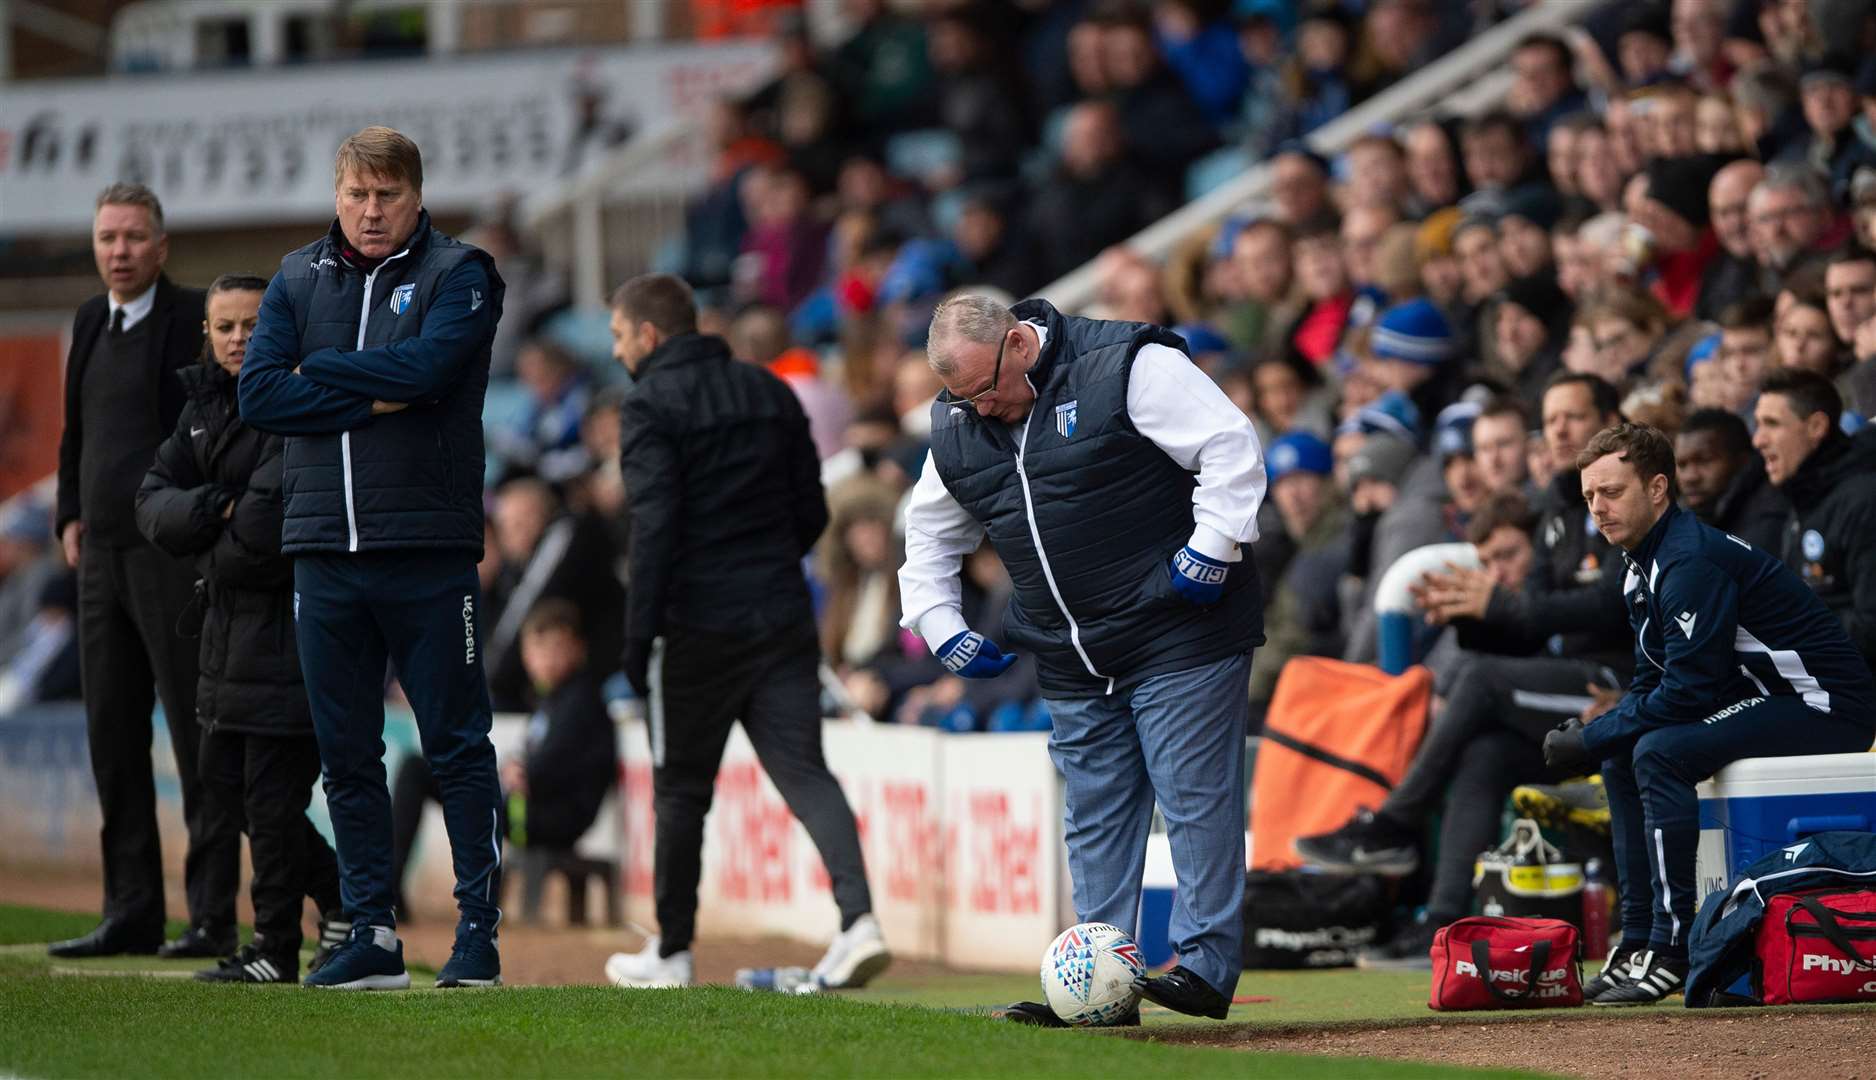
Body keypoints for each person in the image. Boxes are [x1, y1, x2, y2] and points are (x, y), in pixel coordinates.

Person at [898, 293, 1267, 1024]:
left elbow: (1230, 445)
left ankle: (1204, 969)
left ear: (1017, 343)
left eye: (984, 391)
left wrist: (1213, 547)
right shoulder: (962, 423)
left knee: (1194, 800)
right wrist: (941, 624)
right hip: (1070, 655)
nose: (978, 410)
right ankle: (1100, 991)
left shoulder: (1126, 365)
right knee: (1095, 820)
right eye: (959, 398)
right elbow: (929, 536)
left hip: (1180, 629)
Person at [237, 126, 507, 990]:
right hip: (322, 549)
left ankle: (477, 934)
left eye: (387, 194)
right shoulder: (293, 275)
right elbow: (260, 392)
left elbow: (431, 371)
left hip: (427, 547)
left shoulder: (460, 273)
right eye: (357, 193)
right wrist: (376, 387)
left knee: (456, 745)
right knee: (346, 753)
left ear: (417, 196)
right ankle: (372, 934)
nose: (371, 210)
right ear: (337, 195)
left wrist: (325, 372)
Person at [600, 273, 889, 993]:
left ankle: (671, 952)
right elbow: (810, 511)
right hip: (781, 613)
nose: (614, 352)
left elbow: (655, 532)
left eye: (617, 336)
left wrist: (637, 644)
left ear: (649, 336)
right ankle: (859, 922)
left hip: (695, 627)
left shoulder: (647, 406)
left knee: (681, 793)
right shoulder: (770, 393)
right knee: (805, 772)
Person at [1544, 423, 1876, 1004]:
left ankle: (1671, 951)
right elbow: (1652, 677)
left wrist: (1591, 738)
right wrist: (1600, 737)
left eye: (1613, 492)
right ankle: (1640, 939)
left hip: (1826, 705)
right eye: (1590, 496)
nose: (1598, 508)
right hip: (1775, 698)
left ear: (1657, 489)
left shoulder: (1689, 560)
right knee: (1625, 754)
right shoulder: (1639, 564)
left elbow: (1688, 692)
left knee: (1659, 751)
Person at [133, 273, 346, 983]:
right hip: (227, 637)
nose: (237, 338)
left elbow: (260, 533)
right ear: (208, 332)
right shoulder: (199, 405)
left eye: (252, 324)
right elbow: (148, 502)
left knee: (271, 799)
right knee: (225, 787)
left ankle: (276, 947)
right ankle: (344, 898)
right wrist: (211, 512)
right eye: (224, 326)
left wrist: (203, 524)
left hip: (288, 634)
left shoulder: (295, 404)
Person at [49, 183, 240, 961]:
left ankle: (210, 915)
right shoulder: (91, 318)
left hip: (170, 560)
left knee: (196, 737)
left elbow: (204, 432)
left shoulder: (191, 317)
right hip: (99, 558)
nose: (119, 251)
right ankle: (129, 908)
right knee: (112, 734)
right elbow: (76, 431)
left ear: (161, 247)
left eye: (133, 237)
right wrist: (69, 512)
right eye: (107, 237)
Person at [1751, 370, 1876, 671]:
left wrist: (1790, 627)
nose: (1758, 440)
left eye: (1772, 424)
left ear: (1816, 426)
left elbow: (1872, 628)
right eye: (1758, 424)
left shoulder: (1864, 500)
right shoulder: (1803, 497)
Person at [500, 599, 617, 878]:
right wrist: (510, 768)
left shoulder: (580, 699)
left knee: (431, 776)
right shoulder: (550, 698)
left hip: (553, 819)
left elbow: (548, 766)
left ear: (578, 648)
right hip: (534, 811)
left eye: (557, 649)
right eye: (539, 650)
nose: (547, 660)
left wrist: (518, 773)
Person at [1674, 408, 1789, 554]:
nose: (1690, 477)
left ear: (1742, 460)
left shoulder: (1771, 518)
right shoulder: (1678, 520)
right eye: (1681, 464)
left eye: (1704, 461)